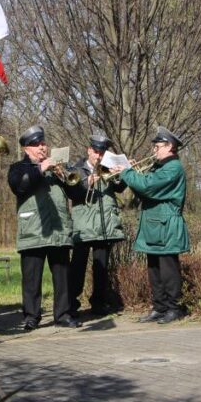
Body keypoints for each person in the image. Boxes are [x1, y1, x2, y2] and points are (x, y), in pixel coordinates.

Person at [114, 127, 189, 323]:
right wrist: (129, 174)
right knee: (154, 270)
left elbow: (148, 187)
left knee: (168, 269)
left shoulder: (173, 168)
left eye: (157, 146)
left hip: (166, 225)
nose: (154, 150)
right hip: (154, 223)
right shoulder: (159, 167)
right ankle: (159, 307)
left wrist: (129, 173)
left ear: (170, 146)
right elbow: (143, 189)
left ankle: (174, 308)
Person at [7, 125, 77, 330]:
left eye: (44, 143)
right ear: (26, 149)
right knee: (31, 278)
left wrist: (67, 176)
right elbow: (19, 186)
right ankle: (31, 316)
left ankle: (63, 314)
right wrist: (40, 169)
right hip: (33, 231)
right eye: (37, 145)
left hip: (58, 229)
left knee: (62, 275)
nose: (42, 148)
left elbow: (76, 194)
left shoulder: (58, 168)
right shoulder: (18, 167)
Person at [69, 133, 126, 316]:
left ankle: (98, 303)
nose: (98, 156)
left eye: (102, 152)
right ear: (89, 150)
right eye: (95, 151)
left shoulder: (107, 167)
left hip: (104, 225)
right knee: (77, 267)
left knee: (101, 268)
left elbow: (119, 188)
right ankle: (71, 304)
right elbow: (73, 194)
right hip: (83, 226)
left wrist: (121, 173)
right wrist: (88, 183)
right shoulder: (76, 169)